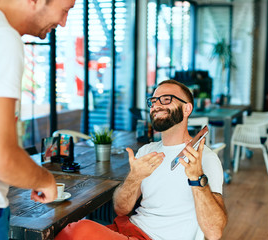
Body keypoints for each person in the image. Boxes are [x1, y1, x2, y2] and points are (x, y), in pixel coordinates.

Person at [0, 0, 75, 239]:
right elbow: (0, 157)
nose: (63, 22)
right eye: (65, 9)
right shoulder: (0, 38)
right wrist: (44, 180)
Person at [55, 79, 227, 240]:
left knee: (78, 231)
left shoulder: (204, 158)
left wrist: (196, 178)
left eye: (166, 99)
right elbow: (121, 209)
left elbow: (214, 232)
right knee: (68, 231)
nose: (156, 105)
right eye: (153, 101)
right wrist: (134, 177)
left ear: (187, 109)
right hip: (128, 229)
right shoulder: (147, 150)